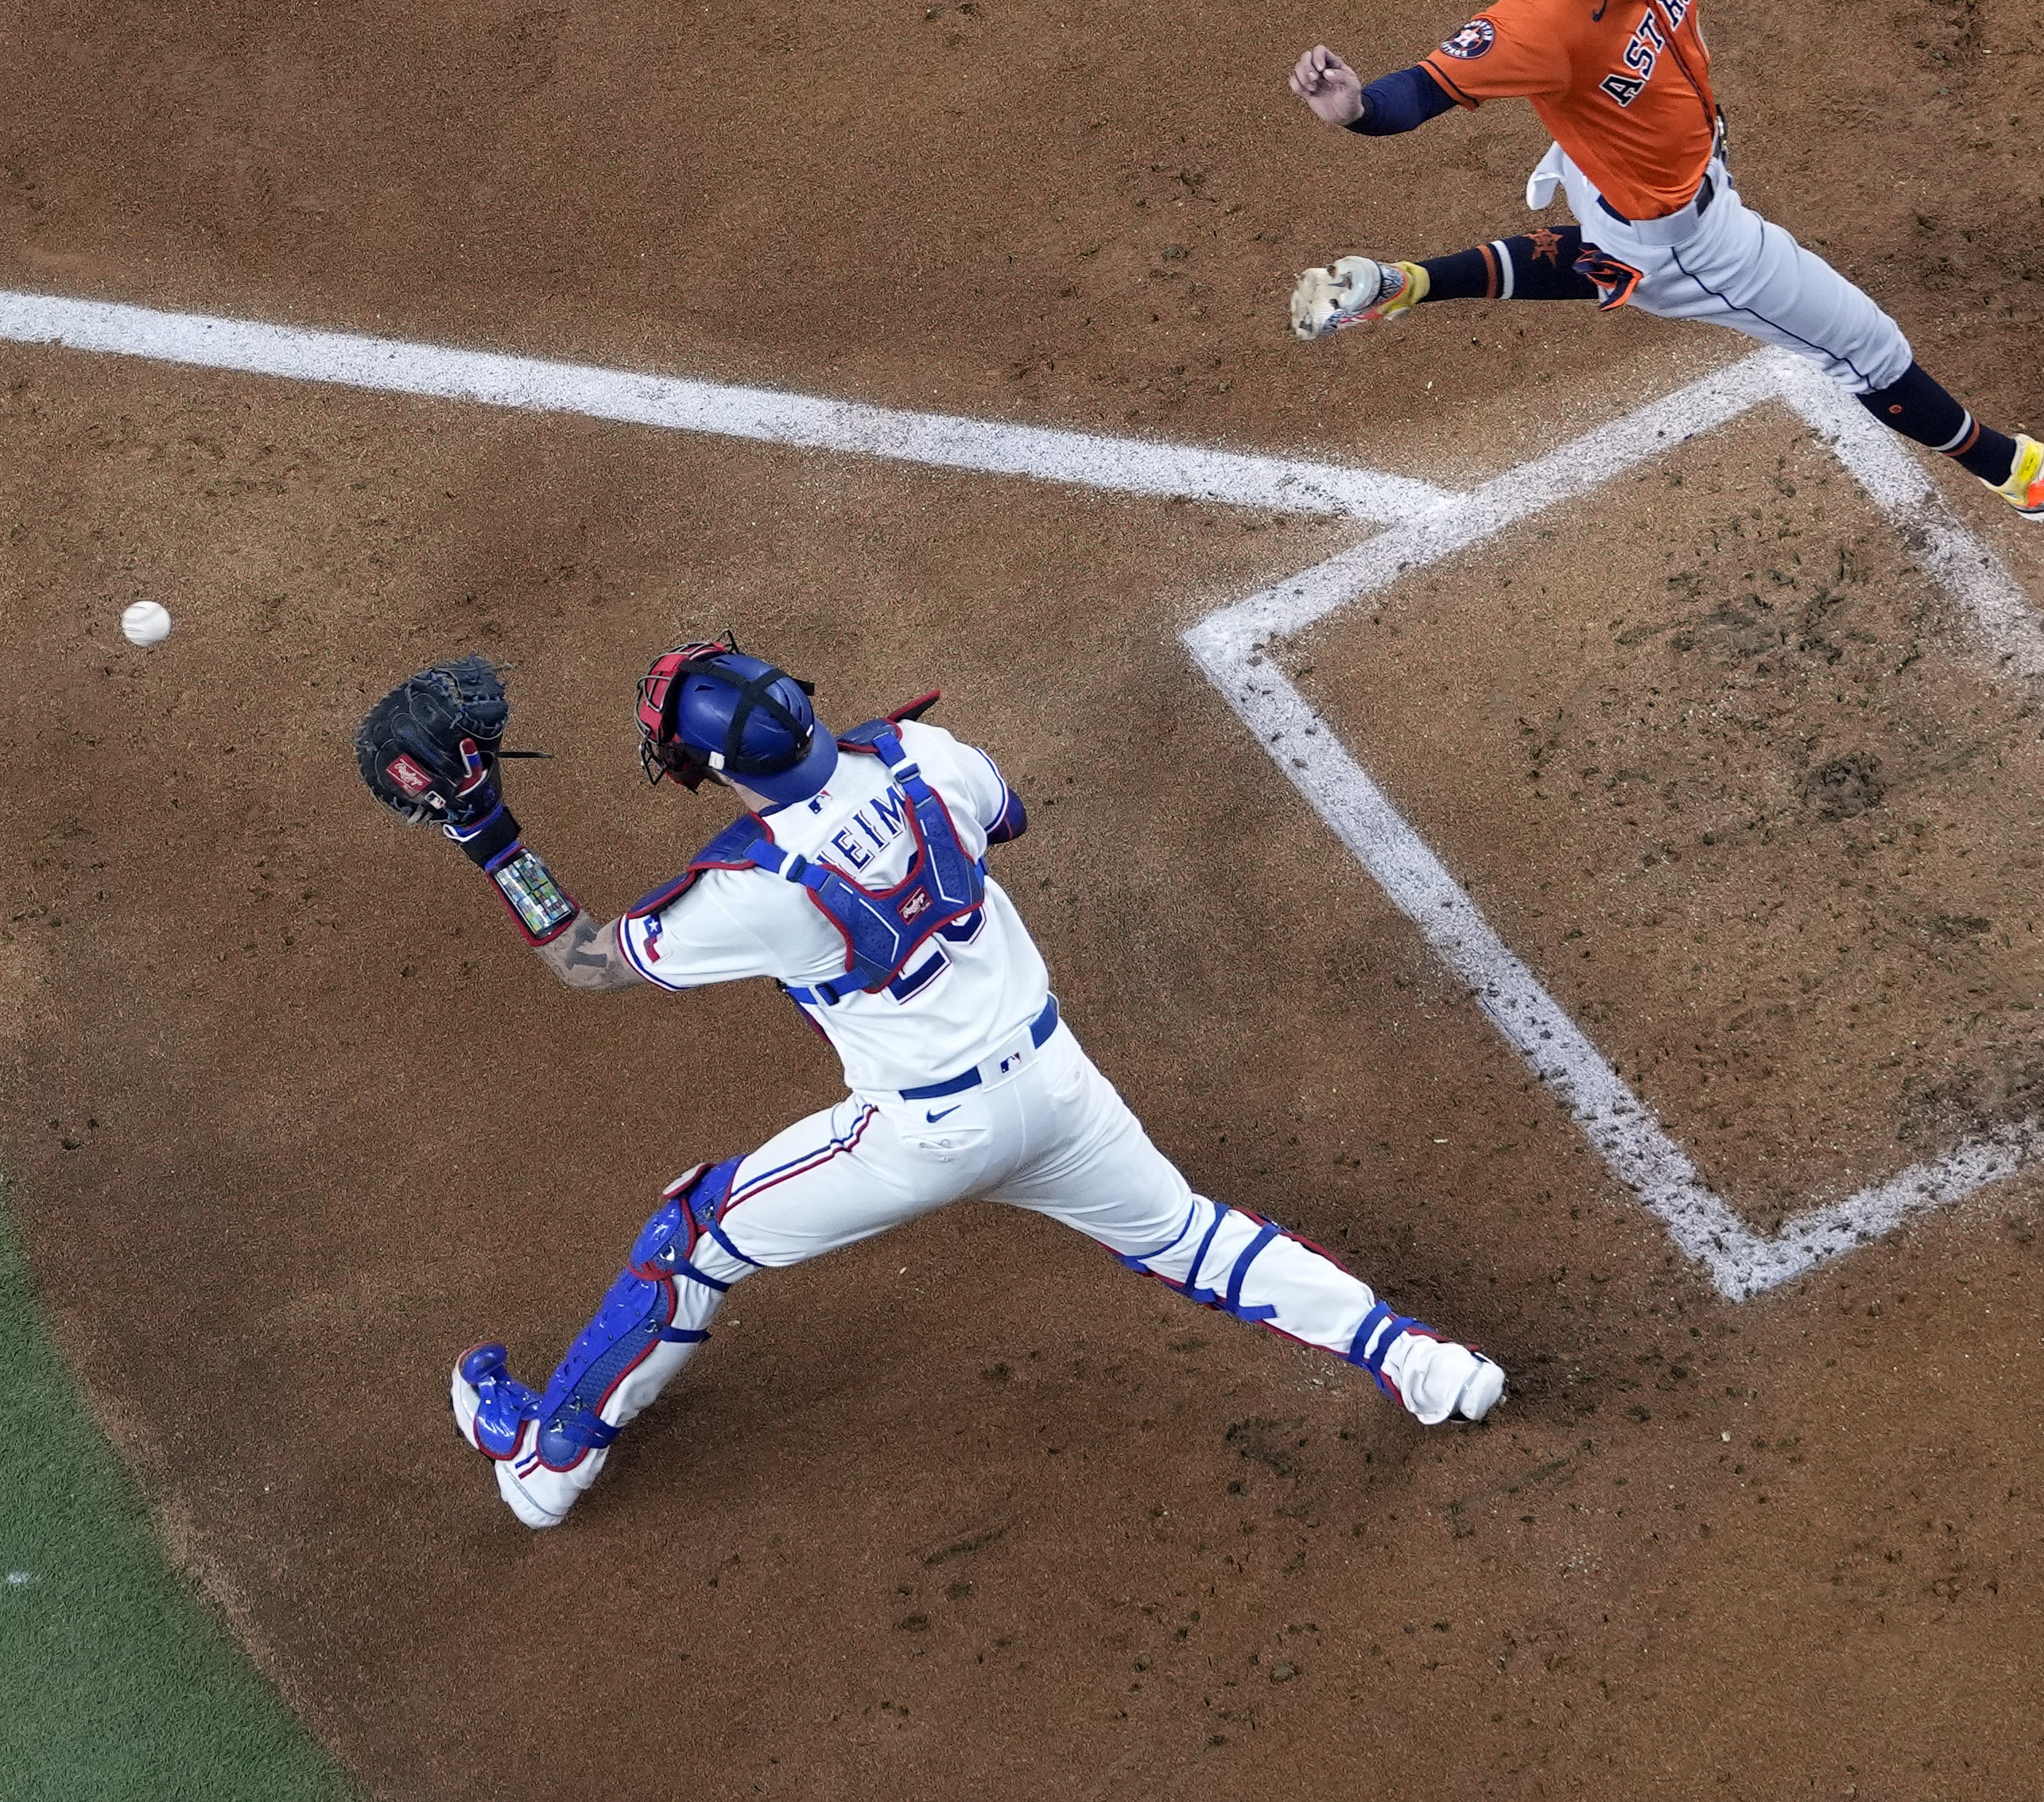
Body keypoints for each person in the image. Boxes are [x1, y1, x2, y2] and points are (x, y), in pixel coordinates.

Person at [368, 641, 1503, 1532]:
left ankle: (546, 1462)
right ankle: (1421, 1362)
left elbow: (583, 961)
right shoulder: (934, 760)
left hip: (923, 1137)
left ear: (712, 770)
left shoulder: (748, 893)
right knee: (1197, 1241)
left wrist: (487, 828)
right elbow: (999, 814)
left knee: (692, 1234)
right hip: (1059, 1088)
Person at [1285, 0, 2044, 521]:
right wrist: (1357, 109)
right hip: (1692, 237)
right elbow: (1424, 90)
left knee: (1607, 256)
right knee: (1867, 350)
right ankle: (2019, 474)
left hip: (1617, 172)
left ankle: (1407, 285)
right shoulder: (1540, 22)